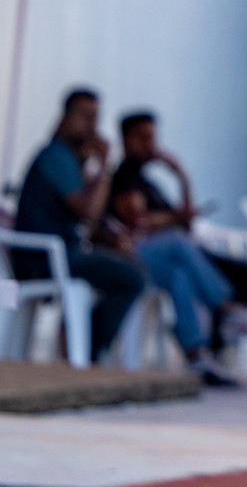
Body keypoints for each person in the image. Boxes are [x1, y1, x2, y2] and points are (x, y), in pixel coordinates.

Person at [111, 112, 247, 376]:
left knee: (179, 275)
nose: (150, 144)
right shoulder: (124, 177)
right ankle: (226, 307)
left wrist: (181, 175)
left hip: (158, 261)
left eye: (152, 137)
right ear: (125, 140)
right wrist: (173, 219)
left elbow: (185, 222)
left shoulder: (149, 182)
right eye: (142, 137)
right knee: (177, 242)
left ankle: (196, 355)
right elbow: (137, 220)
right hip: (131, 253)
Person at [12, 89, 147, 363]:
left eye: (95, 118)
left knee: (128, 268)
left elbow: (89, 218)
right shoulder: (56, 155)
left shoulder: (69, 158)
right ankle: (85, 350)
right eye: (84, 116)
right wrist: (105, 165)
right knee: (132, 278)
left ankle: (80, 341)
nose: (91, 125)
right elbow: (89, 211)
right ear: (64, 116)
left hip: (62, 253)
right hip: (44, 259)